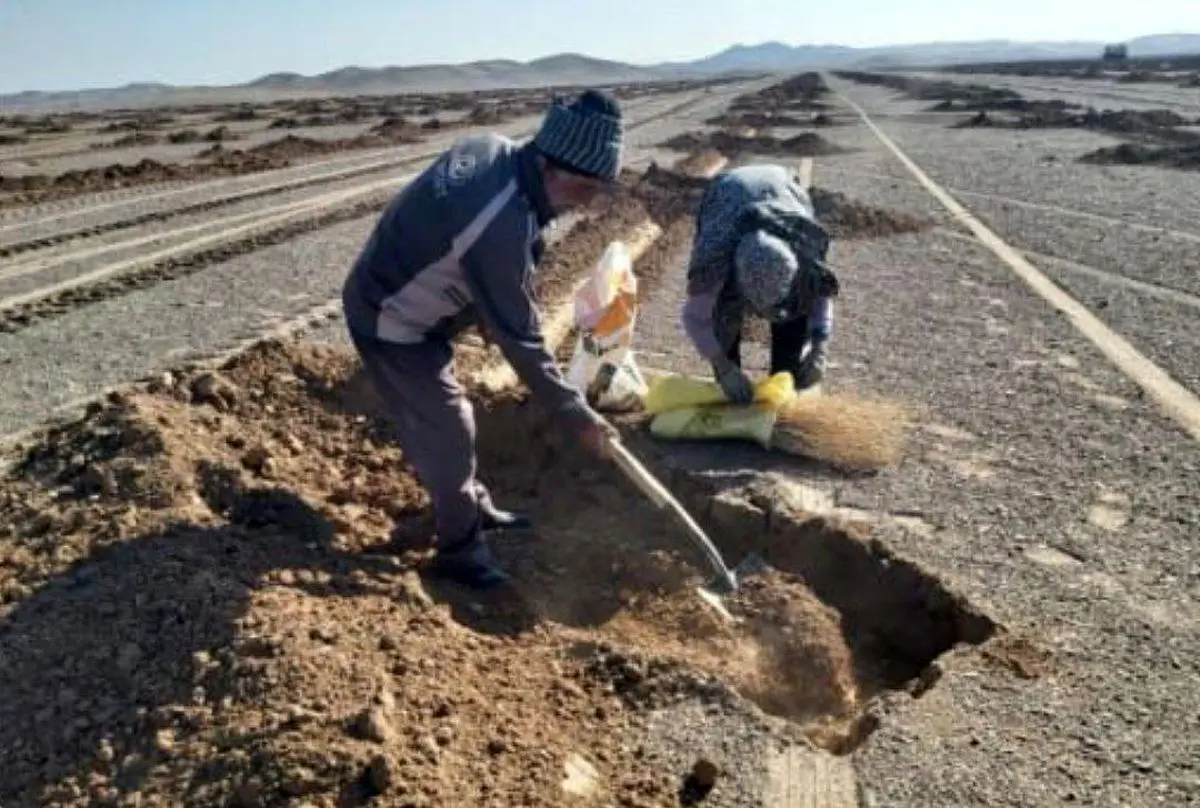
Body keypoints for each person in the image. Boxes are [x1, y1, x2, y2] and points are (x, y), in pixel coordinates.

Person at [340, 89, 624, 590]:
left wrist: (488, 304)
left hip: (402, 294)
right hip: (391, 320)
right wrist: (574, 412)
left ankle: (472, 504)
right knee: (448, 427)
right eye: (585, 191)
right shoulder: (499, 224)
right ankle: (459, 550)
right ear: (551, 167)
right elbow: (521, 338)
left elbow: (485, 250)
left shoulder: (497, 151)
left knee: (455, 418)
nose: (586, 206)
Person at [680, 163, 840, 403]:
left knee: (797, 308)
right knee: (721, 313)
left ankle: (784, 380)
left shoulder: (804, 245)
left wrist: (819, 348)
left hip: (782, 188)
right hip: (729, 193)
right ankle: (731, 383)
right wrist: (722, 365)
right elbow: (695, 317)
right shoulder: (715, 258)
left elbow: (820, 293)